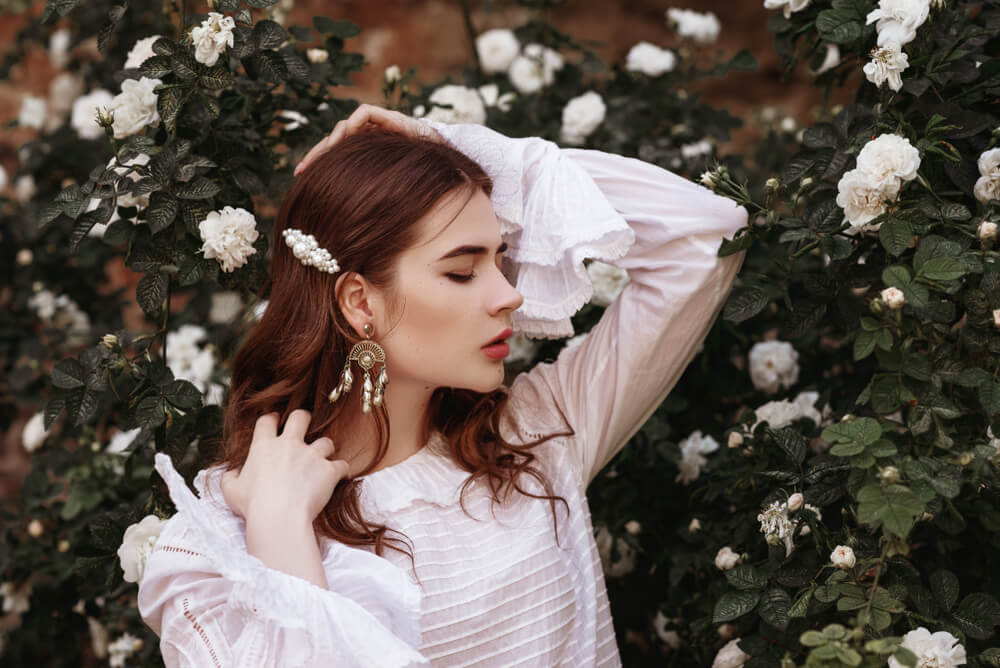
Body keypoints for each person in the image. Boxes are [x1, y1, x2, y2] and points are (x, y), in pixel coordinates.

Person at [137, 104, 748, 667]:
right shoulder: (218, 541)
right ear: (358, 301)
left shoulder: (538, 433)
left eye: (500, 257)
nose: (509, 293)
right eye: (462, 270)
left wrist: (466, 151)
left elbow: (705, 237)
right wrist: (278, 527)